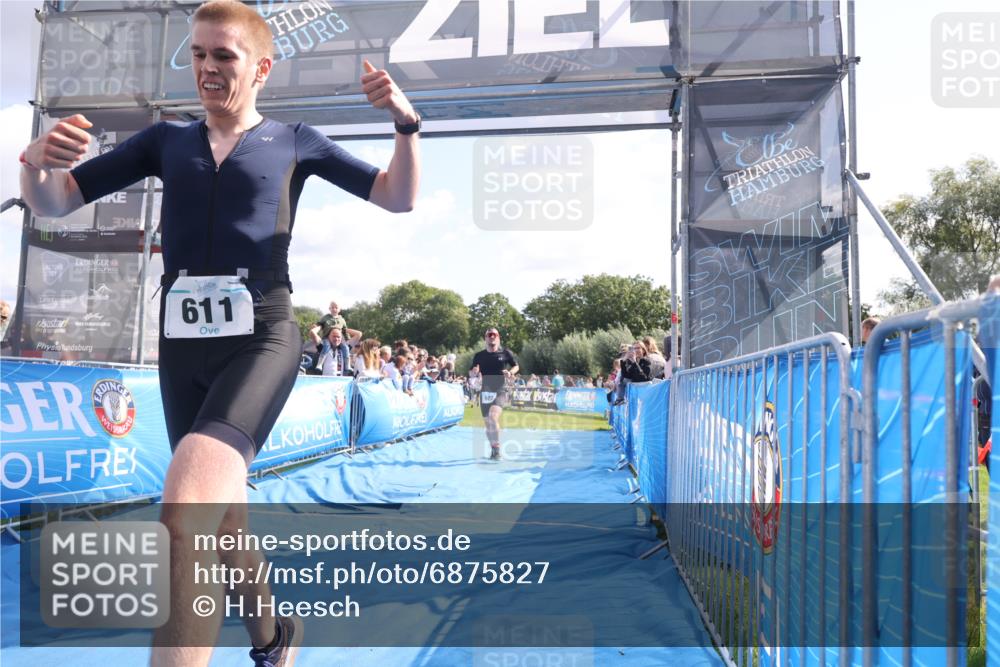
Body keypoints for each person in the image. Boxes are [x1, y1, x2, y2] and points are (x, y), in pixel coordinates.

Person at [17, 2, 421, 665]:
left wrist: (406, 126)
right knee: (223, 519)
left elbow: (397, 196)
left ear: (260, 68)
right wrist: (32, 164)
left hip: (262, 336)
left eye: (223, 56)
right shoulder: (163, 141)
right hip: (181, 346)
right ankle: (273, 638)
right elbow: (56, 200)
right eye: (198, 54)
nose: (206, 68)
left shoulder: (297, 140)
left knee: (184, 516)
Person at [470, 327, 518, 461]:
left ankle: (497, 450)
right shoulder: (479, 356)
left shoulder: (505, 353)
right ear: (485, 338)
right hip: (485, 391)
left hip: (500, 390)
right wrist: (474, 372)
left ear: (498, 337)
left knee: (493, 417)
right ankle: (493, 448)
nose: (492, 337)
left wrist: (511, 372)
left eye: (494, 334)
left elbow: (516, 366)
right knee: (488, 424)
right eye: (489, 335)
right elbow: (472, 372)